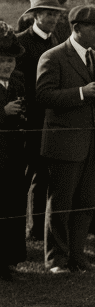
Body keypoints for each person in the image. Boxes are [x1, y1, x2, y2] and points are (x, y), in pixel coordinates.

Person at [36, 5, 95, 273]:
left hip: (92, 145)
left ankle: (77, 256)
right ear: (77, 28)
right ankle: (56, 260)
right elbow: (44, 96)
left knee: (84, 204)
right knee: (60, 204)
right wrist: (81, 92)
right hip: (65, 145)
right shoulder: (53, 57)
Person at [16, 0, 64, 241]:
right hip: (28, 120)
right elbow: (17, 82)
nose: (53, 18)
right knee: (23, 176)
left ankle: (35, 229)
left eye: (56, 14)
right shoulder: (21, 43)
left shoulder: (57, 41)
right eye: (48, 14)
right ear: (35, 15)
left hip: (52, 120)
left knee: (43, 174)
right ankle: (14, 229)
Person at [0, 24, 28, 278]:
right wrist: (3, 112)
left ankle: (8, 260)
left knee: (13, 205)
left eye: (10, 61)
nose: (7, 66)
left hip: (14, 154)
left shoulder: (17, 82)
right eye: (2, 61)